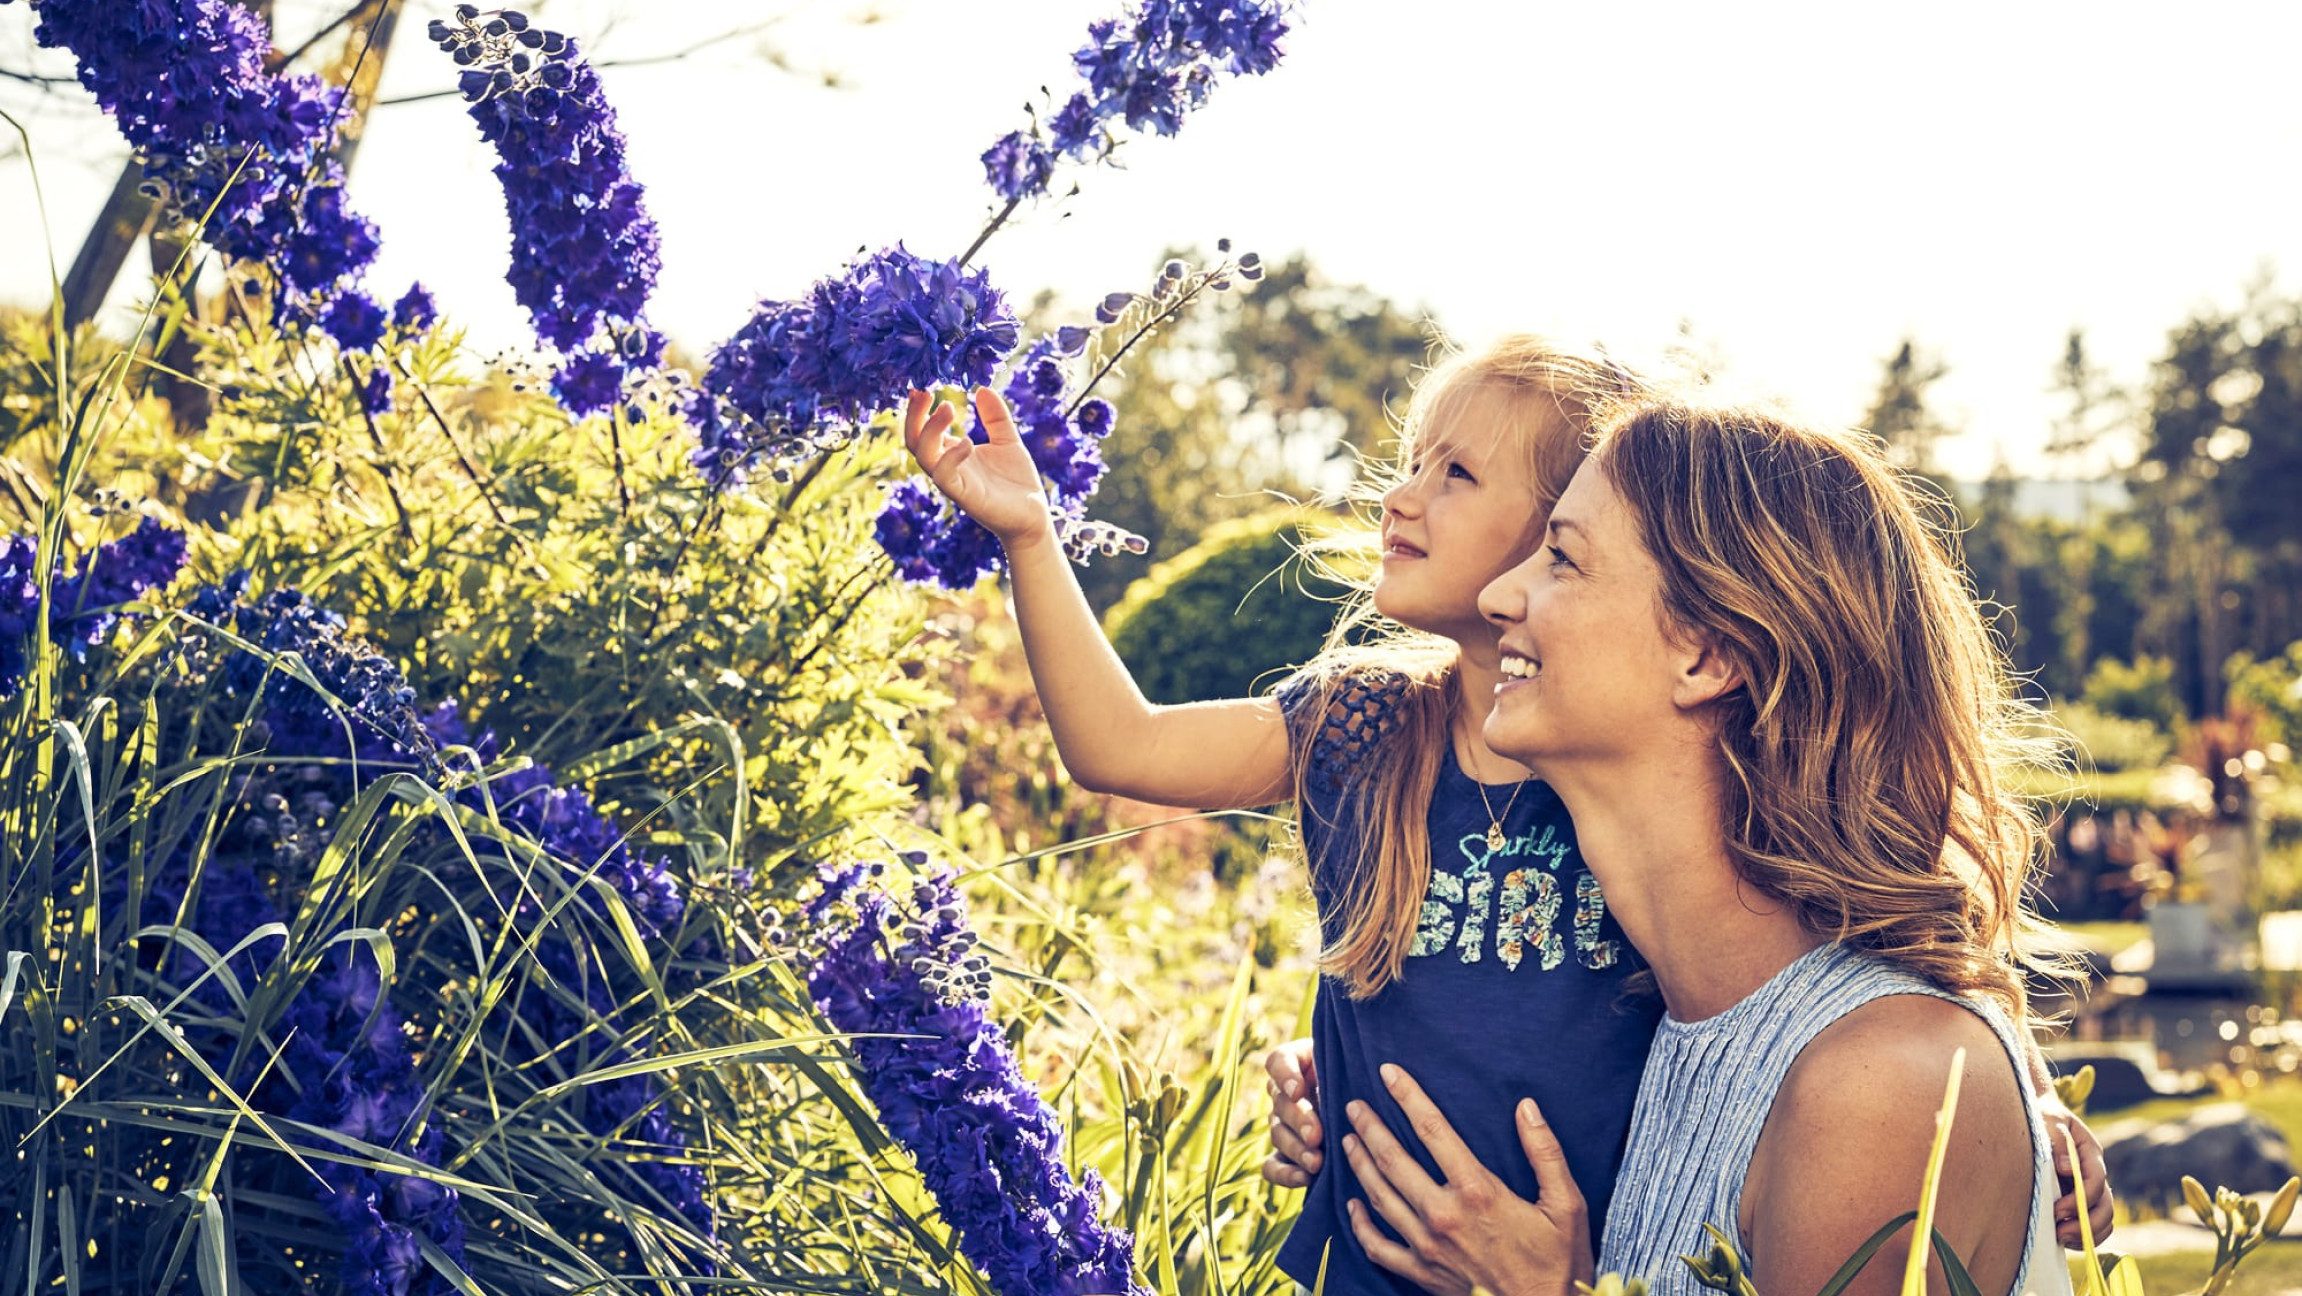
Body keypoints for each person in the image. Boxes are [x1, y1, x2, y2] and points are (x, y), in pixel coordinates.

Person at [1323, 399, 2085, 1296]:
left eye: (1562, 558)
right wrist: (1327, 1069)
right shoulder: (1673, 1028)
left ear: (1707, 656)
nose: (1499, 595)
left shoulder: (1876, 1085)